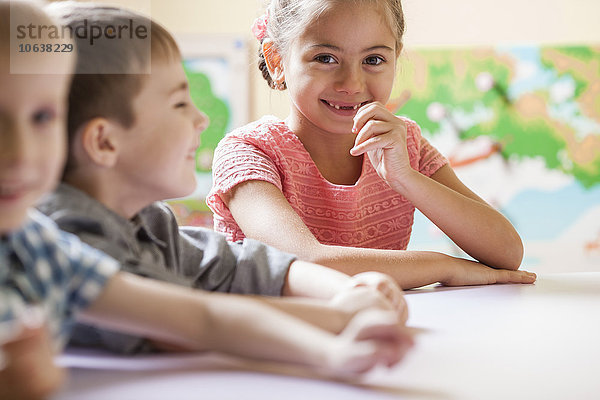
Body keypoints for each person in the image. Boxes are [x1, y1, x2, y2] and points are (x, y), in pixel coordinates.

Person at [0, 2, 413, 395]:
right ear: (103, 141)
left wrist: (345, 295)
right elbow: (177, 327)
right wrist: (341, 318)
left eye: (42, 118)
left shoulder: (74, 237)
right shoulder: (71, 229)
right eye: (180, 103)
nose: (200, 119)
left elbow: (231, 273)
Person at [207, 0, 537, 289]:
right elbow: (303, 263)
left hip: (373, 335)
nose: (351, 83)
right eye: (325, 57)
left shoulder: (405, 144)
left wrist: (405, 177)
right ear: (278, 60)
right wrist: (444, 266)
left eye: (374, 60)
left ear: (396, 58)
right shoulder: (249, 152)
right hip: (267, 347)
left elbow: (507, 252)